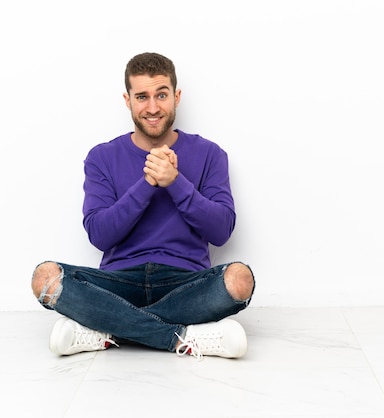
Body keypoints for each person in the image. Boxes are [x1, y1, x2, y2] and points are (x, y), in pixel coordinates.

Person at [31, 52, 255, 360]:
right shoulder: (101, 157)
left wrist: (175, 182)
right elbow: (99, 235)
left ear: (176, 96)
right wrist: (147, 183)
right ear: (128, 100)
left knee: (239, 279)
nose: (152, 107)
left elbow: (221, 231)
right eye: (142, 96)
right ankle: (181, 337)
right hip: (118, 281)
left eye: (161, 95)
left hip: (184, 282)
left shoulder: (210, 154)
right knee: (45, 277)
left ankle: (105, 326)